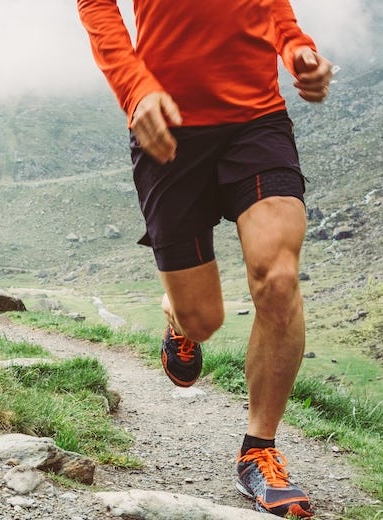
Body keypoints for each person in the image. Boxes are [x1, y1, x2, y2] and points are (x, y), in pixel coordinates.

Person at [76, 0, 333, 517]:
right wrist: (134, 87)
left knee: (279, 277)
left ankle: (258, 451)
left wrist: (296, 46)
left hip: (257, 119)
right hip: (167, 125)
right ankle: (179, 320)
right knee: (205, 319)